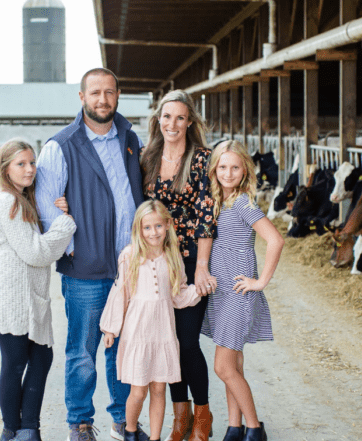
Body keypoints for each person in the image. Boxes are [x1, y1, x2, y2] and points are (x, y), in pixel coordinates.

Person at [35, 67, 148, 441]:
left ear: (118, 96)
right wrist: (73, 248)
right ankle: (80, 421)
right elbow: (46, 205)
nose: (103, 100)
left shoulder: (130, 139)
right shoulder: (61, 145)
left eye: (110, 92)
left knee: (125, 348)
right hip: (85, 268)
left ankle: (122, 419)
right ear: (82, 97)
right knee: (82, 350)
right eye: (95, 93)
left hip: (130, 267)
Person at [0, 139, 77, 441]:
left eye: (32, 162)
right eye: (21, 164)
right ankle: (13, 431)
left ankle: (28, 429)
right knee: (15, 363)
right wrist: (65, 225)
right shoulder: (7, 201)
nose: (30, 169)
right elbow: (36, 252)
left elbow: (35, 238)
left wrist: (53, 210)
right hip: (13, 296)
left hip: (27, 295)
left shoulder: (21, 199)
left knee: (40, 358)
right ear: (5, 168)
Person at [140, 90, 217, 441]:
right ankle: (179, 417)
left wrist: (201, 265)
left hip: (189, 258)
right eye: (166, 117)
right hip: (158, 260)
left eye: (180, 118)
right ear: (159, 120)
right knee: (166, 341)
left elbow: (206, 215)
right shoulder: (147, 158)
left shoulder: (202, 158)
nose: (172, 124)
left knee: (186, 342)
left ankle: (202, 415)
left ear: (189, 122)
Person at [99, 200, 207, 441]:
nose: (153, 232)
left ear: (167, 225)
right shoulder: (130, 256)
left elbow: (178, 295)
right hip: (138, 332)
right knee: (138, 391)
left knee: (159, 389)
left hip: (163, 332)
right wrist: (110, 329)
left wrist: (199, 290)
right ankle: (129, 431)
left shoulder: (172, 256)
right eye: (147, 227)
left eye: (158, 226)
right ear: (138, 229)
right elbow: (120, 293)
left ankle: (156, 438)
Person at [200, 140, 284, 441]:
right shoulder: (217, 201)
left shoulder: (243, 203)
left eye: (235, 167)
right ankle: (234, 427)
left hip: (238, 293)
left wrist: (260, 282)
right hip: (220, 293)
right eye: (222, 166)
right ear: (214, 169)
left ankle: (253, 428)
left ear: (245, 170)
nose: (228, 172)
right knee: (233, 365)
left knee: (223, 366)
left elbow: (275, 240)